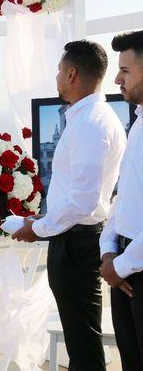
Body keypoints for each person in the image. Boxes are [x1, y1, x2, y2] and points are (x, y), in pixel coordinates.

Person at [12, 40, 127, 371]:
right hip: (73, 235)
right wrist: (44, 220)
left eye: (60, 71)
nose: (58, 78)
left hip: (78, 242)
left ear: (72, 73)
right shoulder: (87, 117)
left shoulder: (91, 123)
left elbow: (83, 200)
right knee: (79, 335)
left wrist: (38, 228)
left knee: (82, 339)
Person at [99, 30, 143, 371]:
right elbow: (123, 194)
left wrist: (122, 264)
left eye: (125, 70)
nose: (116, 79)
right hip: (125, 263)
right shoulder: (138, 122)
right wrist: (109, 247)